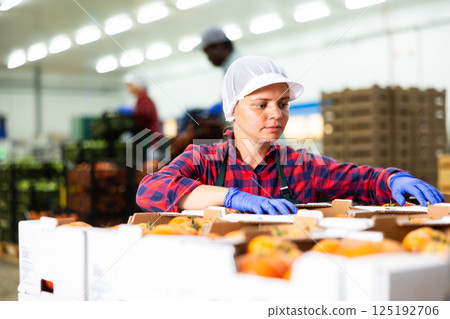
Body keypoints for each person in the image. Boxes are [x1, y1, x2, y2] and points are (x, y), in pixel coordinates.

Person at [136, 56, 444, 214]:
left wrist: (392, 180)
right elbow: (150, 190)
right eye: (261, 105)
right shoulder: (206, 160)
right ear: (233, 109)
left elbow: (360, 180)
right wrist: (232, 198)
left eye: (283, 104)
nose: (276, 114)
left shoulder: (300, 166)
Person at [198, 26, 242, 120]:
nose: (208, 58)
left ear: (219, 47)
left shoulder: (237, 67)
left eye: (207, 53)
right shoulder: (231, 66)